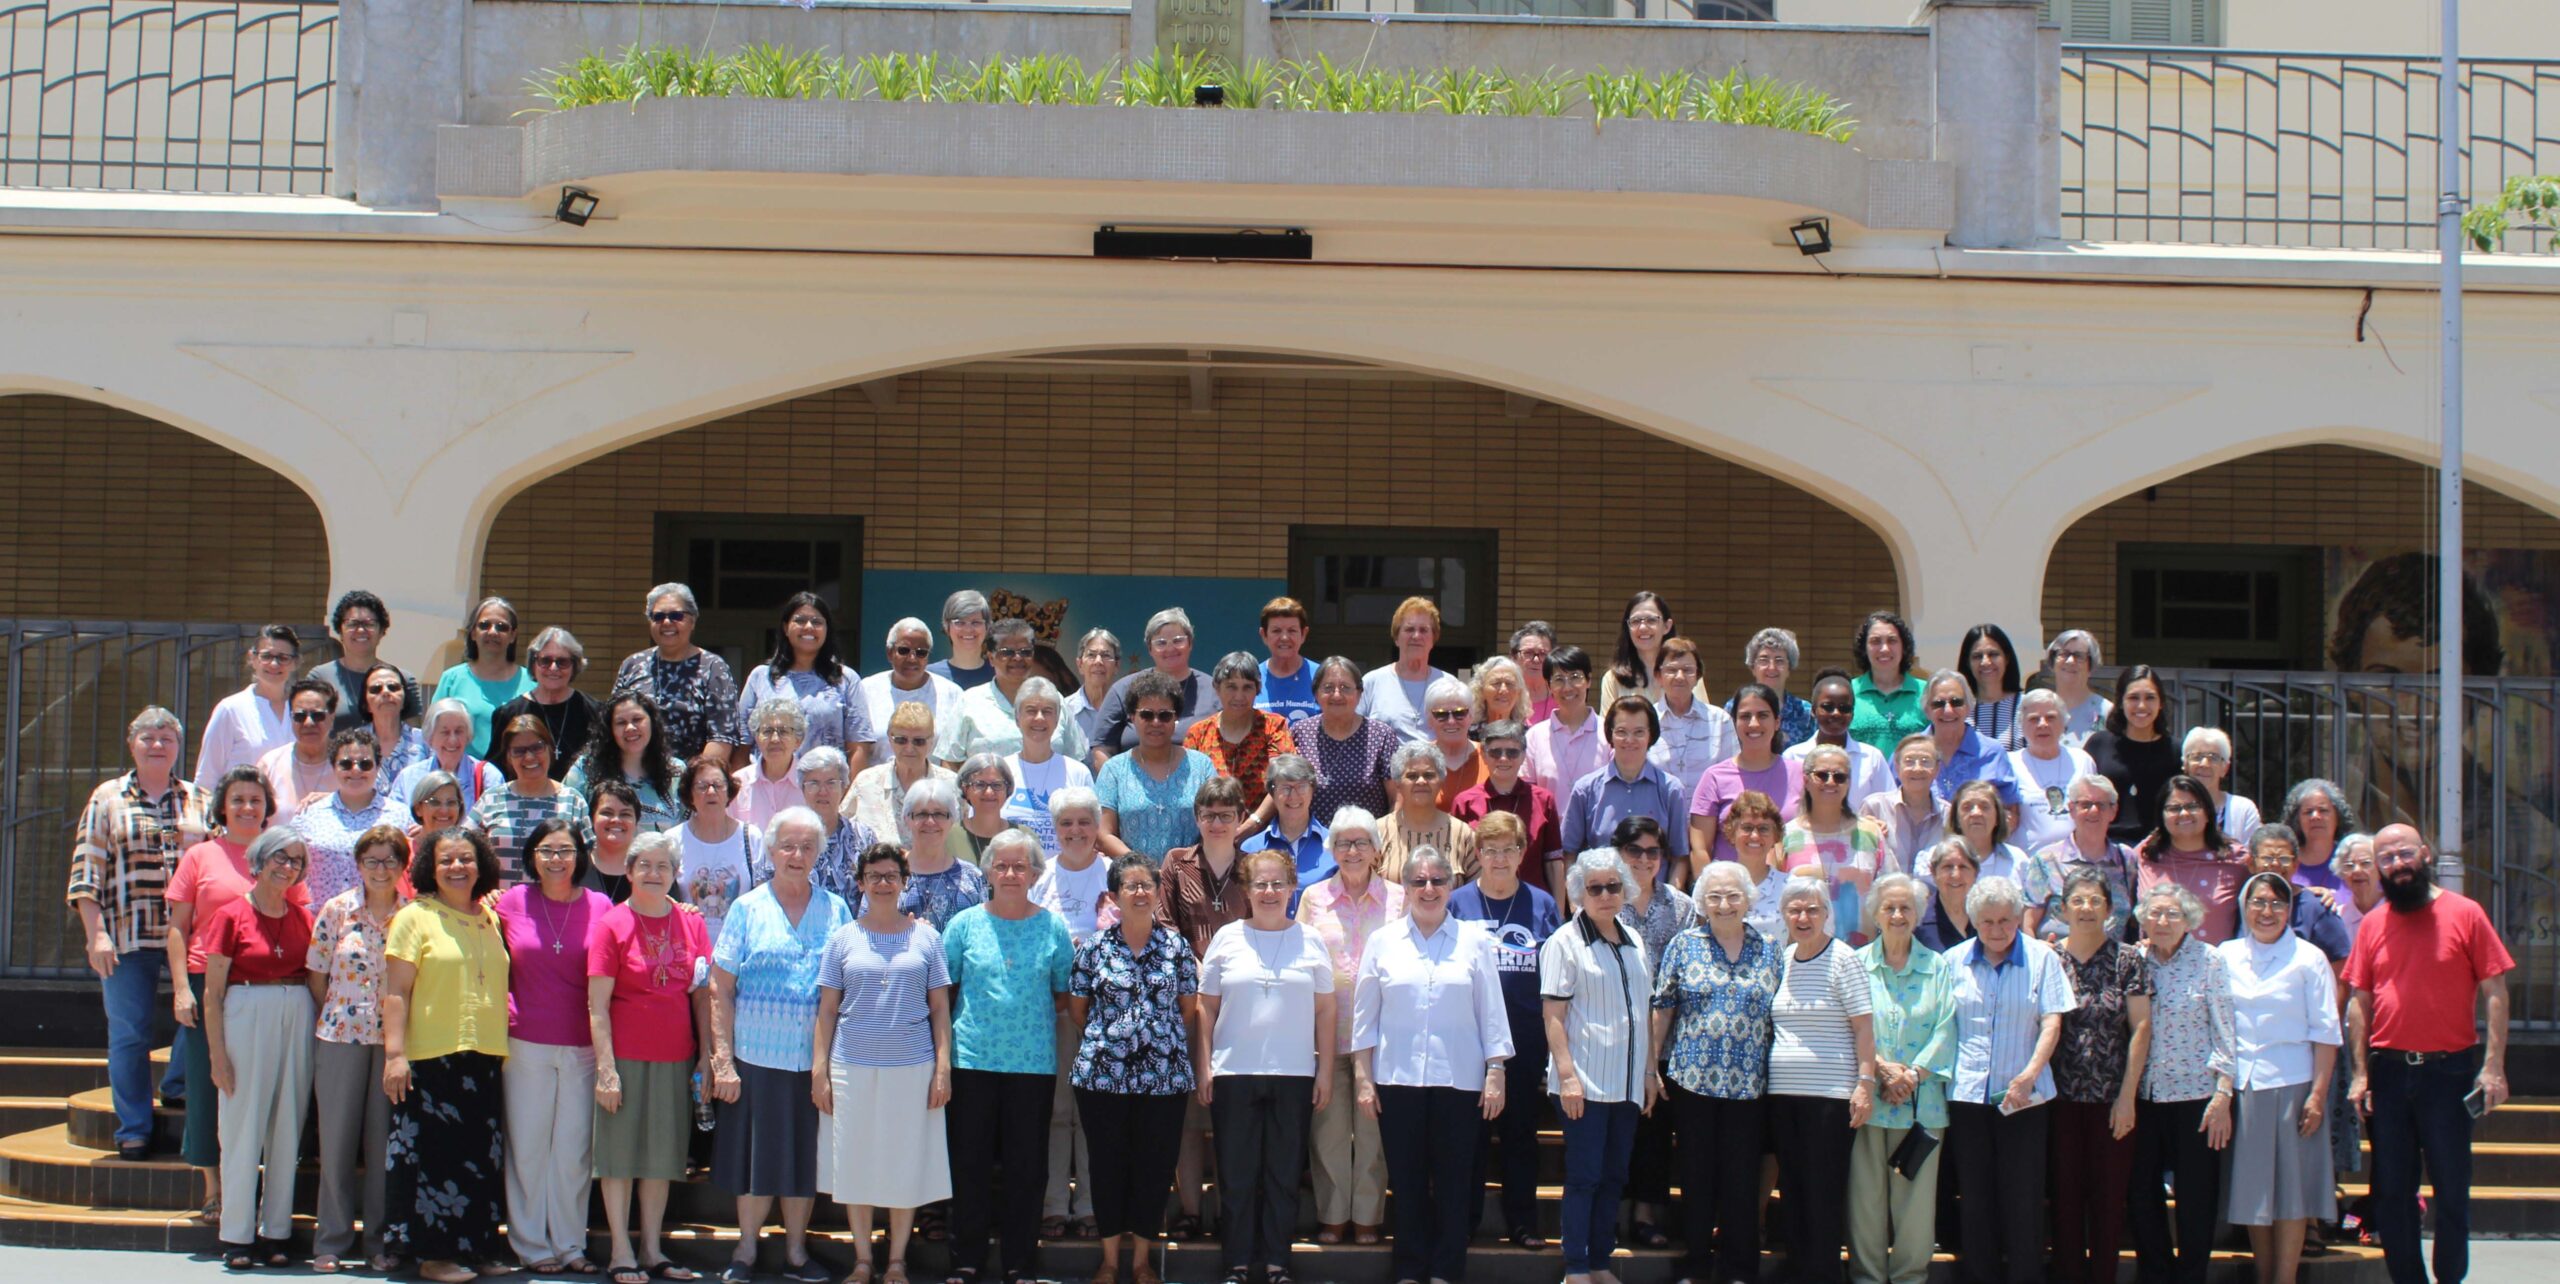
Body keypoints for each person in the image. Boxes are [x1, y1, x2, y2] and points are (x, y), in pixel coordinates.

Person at [2344, 824, 2515, 1284]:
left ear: (2424, 853)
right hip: (2390, 1075)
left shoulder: (2466, 913)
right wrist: (2360, 1074)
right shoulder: (2375, 922)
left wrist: (2493, 1067)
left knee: (2452, 1189)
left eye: (2404, 854)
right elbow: (2359, 1000)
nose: (2397, 865)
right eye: (2386, 858)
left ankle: (2449, 1277)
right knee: (2392, 1193)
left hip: (2450, 1072)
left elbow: (2495, 990)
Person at [1352, 847, 1514, 1284]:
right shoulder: (1382, 942)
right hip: (1397, 1080)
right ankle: (1409, 1269)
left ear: (1451, 886)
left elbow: (1491, 1011)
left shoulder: (1475, 942)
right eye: (1419, 882)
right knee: (1406, 1181)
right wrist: (1364, 1080)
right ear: (1405, 888)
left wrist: (1495, 1070)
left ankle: (1446, 1271)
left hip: (1459, 1081)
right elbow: (1364, 1019)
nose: (1428, 889)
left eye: (1437, 881)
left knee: (1454, 1182)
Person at [709, 807, 856, 1284]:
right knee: (755, 1159)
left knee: (802, 1158)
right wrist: (723, 1060)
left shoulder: (836, 908)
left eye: (807, 846)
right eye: (788, 846)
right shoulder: (746, 908)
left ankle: (796, 1251)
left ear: (819, 852)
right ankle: (746, 1250)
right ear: (771, 851)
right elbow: (721, 988)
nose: (797, 855)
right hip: (756, 1056)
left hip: (815, 1061)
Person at [69, 706, 210, 1160]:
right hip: (127, 937)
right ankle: (133, 1126)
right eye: (148, 736)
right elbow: (87, 867)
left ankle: (175, 1083)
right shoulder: (107, 798)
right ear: (132, 744)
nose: (157, 744)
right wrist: (96, 934)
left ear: (178, 747)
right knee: (130, 1032)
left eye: (167, 737)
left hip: (186, 935)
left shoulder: (199, 798)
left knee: (199, 1019)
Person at [813, 843, 956, 1284]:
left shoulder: (927, 939)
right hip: (851, 1067)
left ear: (904, 882)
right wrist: (819, 1071)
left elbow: (939, 1010)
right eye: (873, 875)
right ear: (860, 883)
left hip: (912, 1068)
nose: (882, 883)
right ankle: (862, 1261)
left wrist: (942, 1067)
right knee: (854, 1164)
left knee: (903, 1164)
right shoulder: (842, 938)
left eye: (891, 875)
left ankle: (896, 1261)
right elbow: (827, 1011)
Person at [939, 831, 1075, 1284]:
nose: (1012, 874)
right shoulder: (963, 925)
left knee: (1026, 1168)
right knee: (970, 1163)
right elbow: (947, 991)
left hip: (1032, 1064)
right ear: (989, 871)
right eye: (1003, 866)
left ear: (1036, 874)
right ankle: (966, 1258)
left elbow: (1061, 994)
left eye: (1021, 866)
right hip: (972, 1059)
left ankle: (1020, 1262)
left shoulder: (1053, 926)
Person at [1196, 847, 1336, 1284]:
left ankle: (1278, 1263)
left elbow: (1326, 1011)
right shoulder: (1227, 938)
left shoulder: (1310, 939)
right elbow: (1205, 1009)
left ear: (1292, 887)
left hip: (1293, 1074)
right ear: (1246, 890)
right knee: (1236, 1175)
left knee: (1282, 1173)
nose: (1270, 891)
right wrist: (1204, 1068)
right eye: (1261, 883)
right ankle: (1236, 1263)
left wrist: (1325, 1070)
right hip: (1234, 1072)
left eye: (1278, 883)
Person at [166, 766, 301, 1211]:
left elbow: (297, 920)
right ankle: (214, 1189)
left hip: (267, 986)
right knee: (212, 1085)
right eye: (238, 799)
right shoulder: (200, 857)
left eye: (256, 800)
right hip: (212, 982)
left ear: (268, 808)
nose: (247, 807)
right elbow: (179, 929)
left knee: (267, 1090)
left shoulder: (282, 855)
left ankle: (258, 1189)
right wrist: (182, 988)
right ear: (222, 806)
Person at [383, 827, 512, 1283]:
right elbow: (396, 991)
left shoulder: (491, 918)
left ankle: (477, 1248)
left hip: (485, 1054)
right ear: (428, 869)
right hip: (431, 1056)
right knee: (436, 1160)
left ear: (481, 864)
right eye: (446, 861)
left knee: (480, 1156)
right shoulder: (413, 917)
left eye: (466, 859)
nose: (457, 868)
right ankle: (434, 1255)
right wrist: (394, 1054)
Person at [585, 830, 714, 1284]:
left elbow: (702, 997)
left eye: (664, 867)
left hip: (676, 1055)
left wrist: (706, 1057)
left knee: (662, 1158)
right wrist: (606, 1070)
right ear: (629, 870)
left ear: (675, 874)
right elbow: (596, 1005)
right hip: (624, 1056)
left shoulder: (692, 923)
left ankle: (653, 1249)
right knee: (618, 1157)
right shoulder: (612, 925)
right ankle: (621, 1250)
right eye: (645, 866)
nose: (654, 874)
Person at [1071, 855, 1205, 1284]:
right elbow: (1079, 1012)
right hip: (1102, 1078)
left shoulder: (1177, 948)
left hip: (1163, 1079)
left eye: (1147, 884)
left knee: (1155, 1165)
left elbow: (1188, 1008)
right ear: (1114, 895)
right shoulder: (1093, 949)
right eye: (1130, 886)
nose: (1141, 892)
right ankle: (1110, 1261)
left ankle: (1143, 1260)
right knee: (1106, 1165)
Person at [1651, 859, 1783, 1284]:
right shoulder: (1684, 945)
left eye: (1732, 895)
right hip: (1692, 1082)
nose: (1724, 904)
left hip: (1749, 1086)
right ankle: (1695, 1264)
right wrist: (1652, 1067)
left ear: (1748, 900)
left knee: (1742, 1180)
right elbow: (1663, 1007)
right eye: (1714, 896)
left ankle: (1739, 1268)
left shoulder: (1770, 949)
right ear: (1702, 902)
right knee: (1696, 1176)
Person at [1941, 876, 2075, 1284]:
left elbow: (2052, 1021)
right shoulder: (1953, 960)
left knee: (2023, 1199)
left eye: (2004, 921)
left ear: (2018, 918)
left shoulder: (2043, 958)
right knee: (1976, 1198)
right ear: (1972, 920)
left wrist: (2029, 1075)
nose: (1996, 930)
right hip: (1967, 1097)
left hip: (2025, 1099)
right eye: (1987, 922)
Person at [198, 827, 314, 1268]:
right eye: (280, 858)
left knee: (287, 1123)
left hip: (296, 1011)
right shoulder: (230, 915)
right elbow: (212, 992)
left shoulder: (303, 917)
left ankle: (276, 1230)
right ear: (261, 860)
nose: (288, 867)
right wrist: (218, 1056)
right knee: (243, 1124)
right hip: (246, 1010)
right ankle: (238, 1234)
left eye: (297, 861)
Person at [499, 819, 611, 1273]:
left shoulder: (601, 904)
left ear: (579, 856)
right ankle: (530, 1244)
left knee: (573, 1150)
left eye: (565, 850)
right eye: (547, 850)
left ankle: (569, 1244)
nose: (556, 859)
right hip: (525, 1041)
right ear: (532, 856)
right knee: (527, 1147)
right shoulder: (510, 902)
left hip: (583, 1045)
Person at [2221, 872, 2344, 1284]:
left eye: (2276, 903)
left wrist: (2319, 1095)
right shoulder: (2226, 954)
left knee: (2292, 1193)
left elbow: (2326, 1032)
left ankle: (2285, 1278)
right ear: (2244, 906)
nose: (2267, 911)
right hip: (2245, 1084)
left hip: (2294, 1082)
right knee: (2256, 1189)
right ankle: (2264, 1274)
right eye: (2258, 902)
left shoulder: (2309, 959)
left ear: (2289, 910)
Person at [1449, 812, 1563, 1251]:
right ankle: (1464, 1221)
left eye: (1509, 849)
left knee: (1520, 1135)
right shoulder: (1457, 902)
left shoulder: (1542, 904)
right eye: (1491, 850)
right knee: (1468, 1138)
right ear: (1478, 854)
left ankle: (1524, 1223)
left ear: (1522, 854)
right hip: (1468, 1038)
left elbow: (1554, 975)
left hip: (1524, 1038)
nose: (1500, 858)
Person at [1539, 847, 1650, 1284]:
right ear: (1579, 893)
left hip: (1626, 1083)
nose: (1606, 895)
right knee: (1584, 1176)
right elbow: (1553, 1016)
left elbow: (1643, 1008)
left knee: (1614, 1176)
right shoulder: (1564, 942)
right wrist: (1567, 1076)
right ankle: (1578, 1266)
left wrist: (1648, 1072)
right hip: (1583, 1080)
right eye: (1595, 888)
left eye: (1614, 886)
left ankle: (1602, 1261)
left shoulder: (1635, 938)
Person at [1295, 807, 1401, 1246]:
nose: (1352, 850)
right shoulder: (1313, 899)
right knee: (1329, 1134)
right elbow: (1299, 961)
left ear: (1377, 850)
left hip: (1384, 1039)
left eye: (1361, 842)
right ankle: (1334, 1217)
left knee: (1374, 1135)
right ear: (1331, 849)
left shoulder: (1400, 898)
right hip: (1328, 1036)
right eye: (1343, 842)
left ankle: (1369, 1217)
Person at [1765, 877, 1878, 1284]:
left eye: (1812, 909)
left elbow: (1864, 1028)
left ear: (1826, 914)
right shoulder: (1783, 958)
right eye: (1794, 909)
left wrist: (1865, 1084)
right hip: (1783, 1097)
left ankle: (1825, 1274)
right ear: (1783, 916)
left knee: (1823, 1192)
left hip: (1829, 1098)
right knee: (1793, 1189)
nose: (1803, 916)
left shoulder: (1844, 959)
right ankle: (1799, 1270)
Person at [308, 824, 408, 1274]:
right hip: (341, 1038)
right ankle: (331, 1238)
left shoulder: (413, 915)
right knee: (337, 1141)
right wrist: (338, 1010)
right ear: (358, 864)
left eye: (390, 860)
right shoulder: (336, 910)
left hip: (393, 1045)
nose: (381, 869)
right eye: (372, 860)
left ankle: (378, 1241)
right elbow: (316, 974)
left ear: (403, 866)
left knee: (382, 1143)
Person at [2047, 867, 2154, 1284]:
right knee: (2065, 1202)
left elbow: (2141, 1027)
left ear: (2109, 909)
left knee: (2109, 1204)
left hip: (2113, 1100)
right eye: (2078, 901)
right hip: (2060, 1100)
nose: (2086, 908)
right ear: (2063, 909)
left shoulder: (2128, 959)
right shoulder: (2050, 959)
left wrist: (2127, 1096)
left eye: (2095, 901)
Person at [2127, 881, 2236, 1284]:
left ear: (2188, 920)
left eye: (2172, 913)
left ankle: (2192, 1275)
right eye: (2154, 913)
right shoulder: (2134, 960)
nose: (2163, 920)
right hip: (2145, 1095)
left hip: (2197, 1096)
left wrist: (2224, 1092)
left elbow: (2226, 1029)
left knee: (2196, 1197)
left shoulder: (2209, 961)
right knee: (2141, 1192)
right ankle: (2155, 1274)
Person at [1848, 872, 1954, 1284]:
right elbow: (1848, 1025)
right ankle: (1867, 1277)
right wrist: (1881, 1069)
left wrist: (1911, 1074)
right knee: (1866, 1199)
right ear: (1875, 913)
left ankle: (1911, 1277)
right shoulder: (1856, 964)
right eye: (1889, 907)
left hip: (1920, 1105)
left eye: (1905, 907)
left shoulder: (1937, 967)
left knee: (1916, 1203)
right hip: (1869, 1099)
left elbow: (1947, 1027)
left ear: (1917, 914)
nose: (1897, 914)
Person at [1031, 786, 1110, 1241]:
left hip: (1104, 1015)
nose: (1075, 831)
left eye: (1084, 821)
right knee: (1060, 1110)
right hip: (1055, 1010)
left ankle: (1092, 1204)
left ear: (1097, 826)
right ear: (1055, 829)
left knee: (1095, 1112)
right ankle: (1056, 1204)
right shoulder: (1040, 875)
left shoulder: (1113, 873)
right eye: (1066, 823)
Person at [737, 592, 877, 773]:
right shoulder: (761, 677)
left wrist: (848, 797)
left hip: (826, 791)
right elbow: (742, 745)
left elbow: (859, 747)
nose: (809, 627)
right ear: (786, 628)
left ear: (827, 629)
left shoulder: (846, 679)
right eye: (800, 620)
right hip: (770, 789)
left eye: (817, 622)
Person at [614, 583, 747, 769]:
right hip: (634, 778)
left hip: (688, 784)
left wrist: (692, 783)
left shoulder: (713, 667)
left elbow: (722, 737)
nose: (667, 622)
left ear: (692, 621)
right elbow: (613, 723)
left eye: (676, 616)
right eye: (658, 616)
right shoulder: (633, 665)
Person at [1562, 693, 1691, 881]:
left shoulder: (1671, 790)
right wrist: (1578, 905)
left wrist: (1668, 905)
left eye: (1639, 732)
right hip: (1601, 901)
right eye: (1621, 731)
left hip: (1654, 903)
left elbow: (1679, 857)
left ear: (1651, 736)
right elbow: (1569, 853)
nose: (1629, 739)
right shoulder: (1586, 789)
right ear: (1610, 735)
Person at [1096, 672, 1220, 864]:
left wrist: (1183, 869)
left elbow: (1215, 824)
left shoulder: (1201, 766)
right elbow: (1104, 834)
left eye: (1164, 715)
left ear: (1176, 718)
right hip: (1134, 881)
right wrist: (1146, 870)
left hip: (1191, 880)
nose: (1156, 722)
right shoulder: (1114, 770)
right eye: (1146, 715)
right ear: (1132, 717)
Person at [943, 617, 1096, 767]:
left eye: (1025, 652)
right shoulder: (970, 702)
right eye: (1007, 652)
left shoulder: (1054, 699)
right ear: (991, 658)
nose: (1017, 658)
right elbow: (950, 763)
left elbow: (1075, 760)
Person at [1687, 681, 1804, 874]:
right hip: (1728, 893)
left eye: (1763, 715)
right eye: (1745, 716)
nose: (1754, 723)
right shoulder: (1714, 778)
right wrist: (1712, 892)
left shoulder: (1800, 775)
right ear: (1734, 722)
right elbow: (1700, 849)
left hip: (1785, 893)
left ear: (1777, 722)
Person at [1782, 742, 1886, 946]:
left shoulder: (1870, 833)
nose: (1830, 782)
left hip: (1861, 957)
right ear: (1806, 780)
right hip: (1802, 957)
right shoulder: (1786, 835)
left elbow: (1888, 893)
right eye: (1821, 775)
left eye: (1839, 777)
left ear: (1849, 783)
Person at [294, 727, 412, 907]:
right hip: (320, 925)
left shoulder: (401, 816)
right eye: (346, 764)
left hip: (383, 926)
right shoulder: (309, 816)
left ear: (378, 767)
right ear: (333, 766)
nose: (356, 770)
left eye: (365, 764)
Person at [1450, 719, 1565, 901]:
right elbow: (1456, 864)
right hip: (1478, 904)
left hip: (1532, 904)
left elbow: (1553, 862)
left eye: (1512, 752)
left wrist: (1557, 913)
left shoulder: (1544, 800)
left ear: (1523, 756)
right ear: (1484, 755)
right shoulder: (1464, 802)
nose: (1503, 759)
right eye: (1495, 752)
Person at [1184, 651, 1300, 828]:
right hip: (1211, 834)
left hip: (1265, 835)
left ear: (1257, 690)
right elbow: (1189, 790)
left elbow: (1285, 780)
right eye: (1231, 686)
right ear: (1217, 687)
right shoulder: (1198, 733)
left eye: (1247, 687)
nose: (1239, 696)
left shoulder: (1273, 726)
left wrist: (1252, 825)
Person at [472, 715, 594, 884]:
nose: (529, 757)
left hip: (554, 906)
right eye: (519, 751)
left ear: (549, 749)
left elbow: (587, 861)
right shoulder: (491, 799)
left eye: (537, 747)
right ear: (508, 756)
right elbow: (465, 848)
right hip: (498, 906)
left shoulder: (573, 800)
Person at [1288, 656, 1401, 827]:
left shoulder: (1381, 735)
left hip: (1366, 845)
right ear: (1316, 694)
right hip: (1311, 843)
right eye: (1328, 688)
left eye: (1345, 688)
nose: (1337, 695)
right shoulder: (1300, 732)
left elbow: (1397, 798)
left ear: (1359, 693)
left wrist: (1387, 840)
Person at [2136, 773, 2248, 945]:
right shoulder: (2145, 854)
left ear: (2208, 812)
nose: (2184, 813)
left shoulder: (2236, 858)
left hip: (2214, 967)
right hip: (2155, 966)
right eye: (2174, 808)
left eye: (2193, 806)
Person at [1094, 608, 1219, 756]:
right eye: (1161, 643)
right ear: (1150, 648)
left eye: (1178, 641)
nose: (1170, 648)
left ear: (1190, 643)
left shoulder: (1214, 691)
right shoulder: (1123, 689)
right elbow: (1101, 748)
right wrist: (1117, 778)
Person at [2028, 773, 2136, 939]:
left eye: (2101, 805)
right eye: (2085, 804)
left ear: (2113, 811)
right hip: (2058, 960)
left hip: (2112, 961)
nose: (2093, 811)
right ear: (2071, 809)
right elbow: (2028, 923)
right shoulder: (2046, 860)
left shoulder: (2126, 859)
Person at [488, 627, 600, 780]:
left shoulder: (595, 712)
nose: (553, 668)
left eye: (563, 662)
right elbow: (496, 771)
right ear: (533, 664)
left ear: (574, 666)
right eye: (545, 661)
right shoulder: (508, 714)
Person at [195, 626, 300, 790]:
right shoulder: (231, 709)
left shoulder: (303, 711)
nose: (274, 664)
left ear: (294, 663)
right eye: (266, 656)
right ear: (253, 658)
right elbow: (207, 778)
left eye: (283, 657)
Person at [2084, 664, 2179, 844]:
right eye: (2133, 698)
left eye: (2150, 698)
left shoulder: (2175, 750)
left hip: (2160, 851)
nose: (2141, 706)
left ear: (2161, 703)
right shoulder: (2099, 745)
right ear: (2120, 702)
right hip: (2107, 849)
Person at [567, 692, 687, 833]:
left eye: (637, 719)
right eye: (621, 722)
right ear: (610, 729)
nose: (630, 728)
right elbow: (567, 819)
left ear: (652, 722)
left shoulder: (676, 771)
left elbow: (690, 827)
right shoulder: (586, 768)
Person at [1001, 676, 1094, 856]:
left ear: (1058, 718)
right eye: (1031, 710)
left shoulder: (1077, 773)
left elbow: (1090, 831)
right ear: (1017, 717)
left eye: (1047, 711)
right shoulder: (999, 771)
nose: (1039, 718)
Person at [430, 597, 533, 758]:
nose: (493, 632)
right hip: (465, 777)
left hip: (518, 776)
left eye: (501, 627)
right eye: (484, 625)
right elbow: (432, 732)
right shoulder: (451, 679)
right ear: (472, 633)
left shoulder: (531, 682)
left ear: (513, 636)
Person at [676, 756, 765, 940]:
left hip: (739, 948)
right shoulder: (673, 840)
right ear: (689, 794)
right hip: (688, 946)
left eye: (718, 785)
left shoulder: (751, 837)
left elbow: (763, 898)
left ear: (729, 792)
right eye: (702, 786)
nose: (711, 791)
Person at [312, 593, 422, 732]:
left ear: (382, 631)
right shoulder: (320, 677)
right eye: (352, 624)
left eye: (369, 624)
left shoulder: (402, 679)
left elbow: (413, 737)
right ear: (340, 631)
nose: (360, 630)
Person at [884, 776, 983, 930]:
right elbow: (867, 930)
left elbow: (984, 935)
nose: (930, 822)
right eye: (921, 814)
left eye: (939, 814)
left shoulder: (972, 877)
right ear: (906, 818)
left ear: (952, 819)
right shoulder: (886, 876)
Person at [1785, 667, 1891, 811]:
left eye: (1844, 708)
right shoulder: (1792, 757)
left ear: (1852, 714)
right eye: (1827, 707)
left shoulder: (1872, 758)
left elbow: (1887, 807)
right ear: (1813, 711)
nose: (1836, 713)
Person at [1918, 670, 2023, 815]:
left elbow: (2010, 812)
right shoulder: (1909, 752)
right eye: (1938, 703)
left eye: (1956, 702)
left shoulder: (1992, 752)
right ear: (1927, 710)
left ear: (1968, 707)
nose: (1948, 710)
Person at [2244, 825, 2354, 963]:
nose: (2276, 864)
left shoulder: (2318, 908)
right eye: (2267, 858)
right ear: (2250, 863)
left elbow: (2340, 966)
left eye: (2284, 859)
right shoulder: (2241, 903)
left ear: (2296, 864)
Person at [852, 701, 959, 843]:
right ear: (890, 738)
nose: (909, 748)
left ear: (931, 741)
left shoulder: (952, 785)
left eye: (919, 741)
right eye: (901, 740)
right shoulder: (865, 782)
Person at [1376, 740, 1479, 885]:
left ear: (1441, 780)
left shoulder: (1463, 834)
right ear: (1398, 783)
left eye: (1429, 775)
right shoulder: (1377, 833)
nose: (1421, 781)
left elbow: (1475, 892)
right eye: (1412, 776)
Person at [2007, 688, 2095, 854]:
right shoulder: (2009, 764)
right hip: (2029, 862)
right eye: (2034, 719)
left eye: (2051, 717)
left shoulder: (2082, 760)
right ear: (2021, 725)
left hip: (2077, 861)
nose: (2043, 724)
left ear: (2064, 723)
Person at [864, 618, 967, 758]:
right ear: (889, 653)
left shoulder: (952, 694)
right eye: (904, 650)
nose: (912, 658)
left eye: (921, 652)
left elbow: (956, 753)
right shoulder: (867, 690)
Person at [1357, 595, 1452, 744]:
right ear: (1396, 638)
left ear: (1433, 639)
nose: (1416, 636)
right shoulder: (1372, 682)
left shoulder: (1448, 684)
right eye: (1409, 629)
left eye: (1423, 630)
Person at [1942, 780, 2035, 928]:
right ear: (1956, 818)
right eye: (1967, 807)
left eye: (1984, 807)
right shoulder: (1933, 859)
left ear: (1998, 816)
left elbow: (2026, 916)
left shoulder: (2018, 860)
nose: (1976, 813)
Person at [390, 700, 505, 817]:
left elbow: (497, 826)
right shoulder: (408, 777)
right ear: (430, 737)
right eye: (445, 732)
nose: (452, 740)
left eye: (459, 731)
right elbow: (394, 823)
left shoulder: (488, 776)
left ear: (468, 736)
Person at [1648, 637, 1736, 788]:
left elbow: (1731, 776)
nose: (1680, 677)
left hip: (1708, 811)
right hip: (1656, 810)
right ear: (1658, 676)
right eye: (1672, 670)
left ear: (1697, 677)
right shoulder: (1646, 720)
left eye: (1688, 670)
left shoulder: (1720, 720)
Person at [1858, 734, 1945, 879]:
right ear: (1897, 767)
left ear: (1937, 769)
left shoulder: (1948, 815)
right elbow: (1857, 857)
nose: (1917, 769)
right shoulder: (1875, 807)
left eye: (1925, 762)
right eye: (1909, 761)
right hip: (1883, 898)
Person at [1241, 755, 1328, 893]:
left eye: (1301, 787)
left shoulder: (1334, 846)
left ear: (1312, 791)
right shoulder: (1250, 849)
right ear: (1272, 793)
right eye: (1285, 788)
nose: (1293, 796)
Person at [259, 678, 341, 826]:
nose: (308, 723)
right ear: (290, 717)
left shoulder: (351, 764)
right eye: (300, 716)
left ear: (332, 716)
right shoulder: (270, 764)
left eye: (317, 715)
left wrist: (336, 801)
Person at [1524, 645, 1603, 794]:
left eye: (1575, 677)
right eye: (1559, 679)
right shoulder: (1535, 736)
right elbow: (1528, 794)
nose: (1567, 688)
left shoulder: (1608, 732)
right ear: (1549, 686)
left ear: (1589, 680)